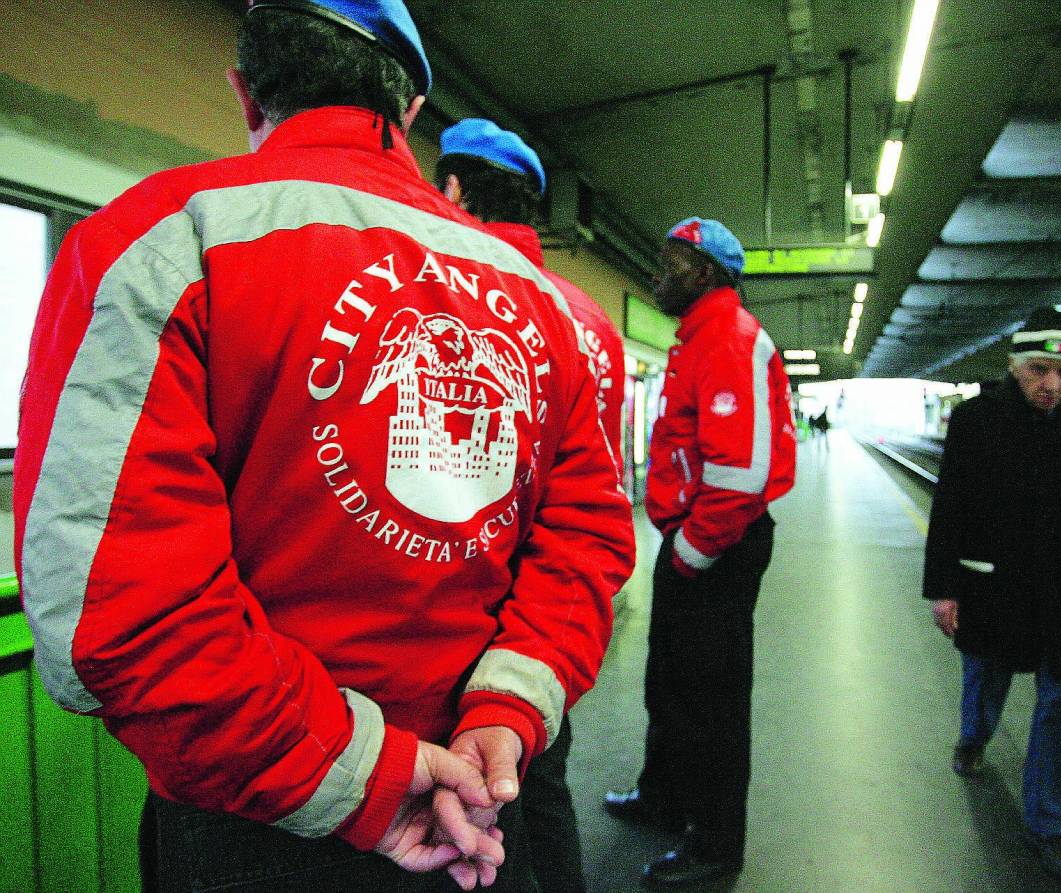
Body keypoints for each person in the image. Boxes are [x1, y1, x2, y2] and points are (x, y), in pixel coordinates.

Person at [12, 3, 635, 891]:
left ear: (244, 91)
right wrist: (506, 711)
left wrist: (367, 781)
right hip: (482, 798)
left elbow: (117, 608)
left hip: (260, 815)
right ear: (409, 112)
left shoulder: (160, 243)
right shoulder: (541, 302)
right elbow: (585, 541)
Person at [435, 117, 627, 893]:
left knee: (466, 817)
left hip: (463, 615)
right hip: (550, 622)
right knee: (543, 783)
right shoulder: (590, 320)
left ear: (452, 187)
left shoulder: (447, 286)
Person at [604, 218, 796, 888]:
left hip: (719, 544)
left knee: (711, 699)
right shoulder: (698, 338)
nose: (658, 273)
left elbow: (741, 472)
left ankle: (716, 839)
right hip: (695, 540)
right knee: (670, 681)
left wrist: (689, 550)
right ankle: (665, 798)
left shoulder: (731, 339)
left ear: (706, 273)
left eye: (671, 262)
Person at [923, 311, 1061, 885]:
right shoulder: (976, 420)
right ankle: (974, 737)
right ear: (1014, 367)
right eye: (1039, 370)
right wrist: (943, 589)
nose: (1052, 385)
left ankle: (1049, 827)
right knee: (985, 675)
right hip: (995, 586)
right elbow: (950, 509)